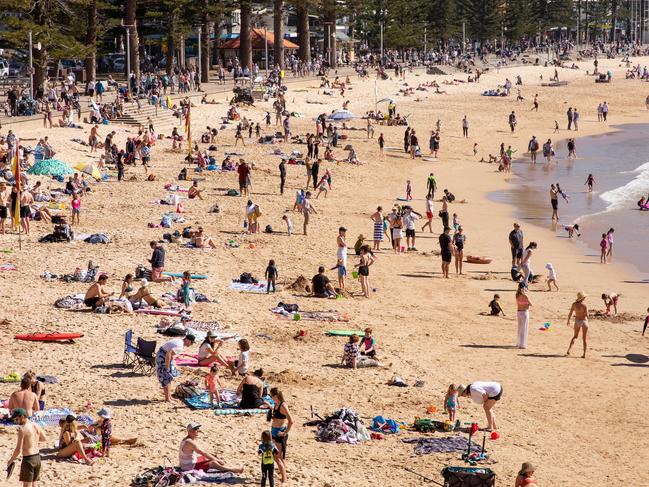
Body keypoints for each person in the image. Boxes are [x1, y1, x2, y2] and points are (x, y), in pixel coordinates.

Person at [179, 423, 243, 473]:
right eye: (195, 429)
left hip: (186, 463)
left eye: (198, 428)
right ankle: (231, 469)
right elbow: (203, 452)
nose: (197, 430)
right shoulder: (189, 442)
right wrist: (217, 460)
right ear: (189, 431)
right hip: (188, 467)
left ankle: (227, 465)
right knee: (213, 462)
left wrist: (215, 458)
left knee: (213, 456)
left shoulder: (187, 439)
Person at [7, 408, 47, 486]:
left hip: (28, 459)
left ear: (22, 417)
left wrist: (11, 460)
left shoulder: (22, 429)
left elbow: (18, 449)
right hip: (37, 457)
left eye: (17, 419)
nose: (16, 422)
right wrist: (32, 441)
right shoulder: (35, 425)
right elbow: (44, 438)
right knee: (34, 483)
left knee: (26, 485)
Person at [156, 334, 196, 402]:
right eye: (191, 342)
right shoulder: (179, 346)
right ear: (187, 340)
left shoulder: (179, 341)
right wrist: (167, 367)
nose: (191, 344)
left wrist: (170, 364)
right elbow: (168, 353)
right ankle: (167, 399)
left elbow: (169, 353)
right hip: (162, 357)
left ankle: (169, 397)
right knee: (166, 377)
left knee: (169, 377)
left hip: (163, 355)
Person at [269, 387, 293, 483]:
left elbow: (291, 421)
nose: (270, 397)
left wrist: (285, 432)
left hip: (280, 433)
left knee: (276, 457)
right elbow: (278, 418)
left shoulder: (283, 405)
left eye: (271, 396)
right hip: (274, 431)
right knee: (281, 457)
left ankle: (284, 480)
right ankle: (284, 477)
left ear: (276, 396)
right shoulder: (276, 404)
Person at [566, 292, 589, 358]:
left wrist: (568, 321)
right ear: (583, 298)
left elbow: (570, 313)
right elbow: (587, 315)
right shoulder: (585, 305)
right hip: (584, 321)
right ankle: (584, 354)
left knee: (575, 336)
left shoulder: (574, 304)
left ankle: (569, 350)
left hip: (577, 321)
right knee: (584, 339)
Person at [516, 284, 531, 349]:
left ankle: (518, 343)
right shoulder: (525, 295)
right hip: (524, 312)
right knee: (524, 329)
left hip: (519, 312)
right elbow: (531, 303)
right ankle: (522, 345)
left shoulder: (517, 295)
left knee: (520, 328)